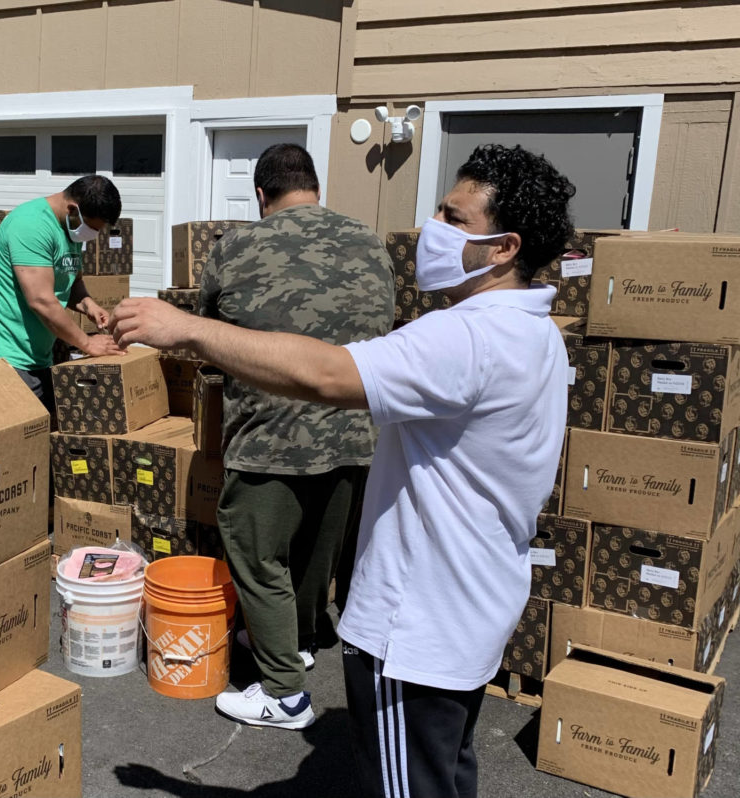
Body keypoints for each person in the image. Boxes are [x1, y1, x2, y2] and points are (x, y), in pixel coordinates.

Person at [110, 143, 574, 798]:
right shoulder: (536, 333)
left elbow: (328, 373)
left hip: (417, 631)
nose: (432, 227)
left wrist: (185, 329)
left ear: (503, 247)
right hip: (473, 606)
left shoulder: (468, 337)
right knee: (443, 770)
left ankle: (280, 682)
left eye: (453, 216)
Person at [195, 143, 395, 730]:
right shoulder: (370, 242)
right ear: (312, 185)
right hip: (358, 432)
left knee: (258, 555)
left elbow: (209, 332)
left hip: (269, 436)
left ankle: (284, 691)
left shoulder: (235, 247)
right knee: (317, 550)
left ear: (262, 194)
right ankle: (303, 641)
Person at [0, 175, 125, 419]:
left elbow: (70, 282)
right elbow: (41, 301)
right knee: (7, 449)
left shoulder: (69, 229)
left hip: (36, 357)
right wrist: (88, 343)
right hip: (1, 356)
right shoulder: (31, 225)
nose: (94, 235)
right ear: (73, 210)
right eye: (93, 228)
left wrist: (89, 305)